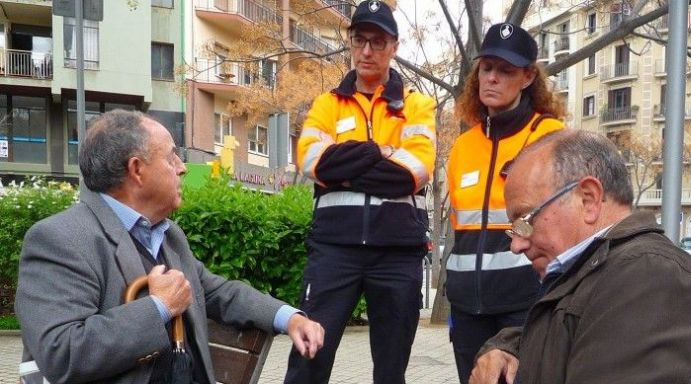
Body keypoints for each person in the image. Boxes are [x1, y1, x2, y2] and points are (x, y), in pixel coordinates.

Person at [15, 110, 325, 384]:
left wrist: (290, 318)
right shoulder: (60, 238)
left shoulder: (169, 234)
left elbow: (217, 292)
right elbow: (62, 353)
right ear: (137, 170)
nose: (182, 168)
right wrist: (159, 306)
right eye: (171, 157)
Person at [469, 130, 691, 384]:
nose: (516, 244)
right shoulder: (603, 274)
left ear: (588, 200)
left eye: (525, 219)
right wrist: (508, 347)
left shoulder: (653, 279)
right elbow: (570, 335)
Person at [288, 1, 436, 383]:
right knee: (308, 359)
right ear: (351, 43)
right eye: (360, 40)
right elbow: (313, 163)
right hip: (334, 251)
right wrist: (378, 151)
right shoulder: (326, 104)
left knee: (391, 371)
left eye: (378, 42)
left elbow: (413, 173)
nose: (367, 51)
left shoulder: (417, 105)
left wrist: (345, 169)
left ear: (394, 47)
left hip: (397, 253)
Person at [445, 22, 564, 384]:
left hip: (524, 306)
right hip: (467, 308)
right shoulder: (463, 146)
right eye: (487, 68)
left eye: (506, 70)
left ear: (528, 77)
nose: (492, 78)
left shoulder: (549, 137)